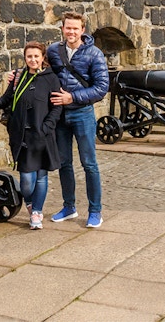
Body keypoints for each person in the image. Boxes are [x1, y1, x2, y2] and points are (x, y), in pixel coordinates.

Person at [0, 41, 62, 230]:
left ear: (42, 57)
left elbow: (56, 107)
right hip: (21, 137)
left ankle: (37, 212)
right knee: (27, 181)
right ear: (25, 58)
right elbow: (5, 100)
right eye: (29, 56)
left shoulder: (51, 78)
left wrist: (47, 127)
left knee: (41, 177)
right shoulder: (18, 78)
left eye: (36, 56)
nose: (33, 59)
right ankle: (29, 203)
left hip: (43, 136)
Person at [47, 11, 109, 228]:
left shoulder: (94, 54)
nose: (71, 32)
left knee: (89, 163)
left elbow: (101, 88)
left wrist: (72, 97)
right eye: (67, 27)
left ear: (82, 30)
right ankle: (69, 207)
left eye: (75, 28)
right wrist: (16, 75)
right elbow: (39, 70)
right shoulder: (54, 51)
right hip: (60, 115)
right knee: (64, 163)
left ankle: (95, 211)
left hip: (82, 114)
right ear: (62, 29)